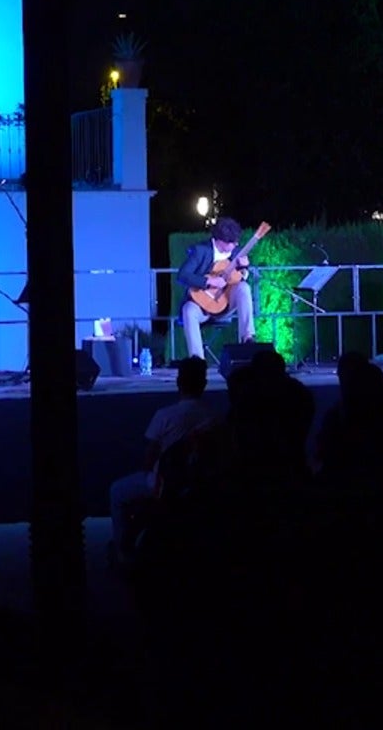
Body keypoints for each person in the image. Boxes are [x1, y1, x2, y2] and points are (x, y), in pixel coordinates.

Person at [109, 357, 217, 562]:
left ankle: (122, 552)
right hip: (198, 483)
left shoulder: (165, 416)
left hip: (164, 483)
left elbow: (149, 458)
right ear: (204, 383)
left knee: (116, 491)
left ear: (178, 382)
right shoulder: (212, 416)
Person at [174, 216, 256, 363]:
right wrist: (209, 281)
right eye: (231, 242)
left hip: (225, 303)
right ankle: (197, 361)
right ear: (220, 240)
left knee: (244, 288)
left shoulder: (236, 252)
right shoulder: (200, 251)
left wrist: (244, 268)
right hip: (202, 305)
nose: (235, 244)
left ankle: (248, 338)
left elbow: (240, 277)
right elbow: (182, 275)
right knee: (188, 310)